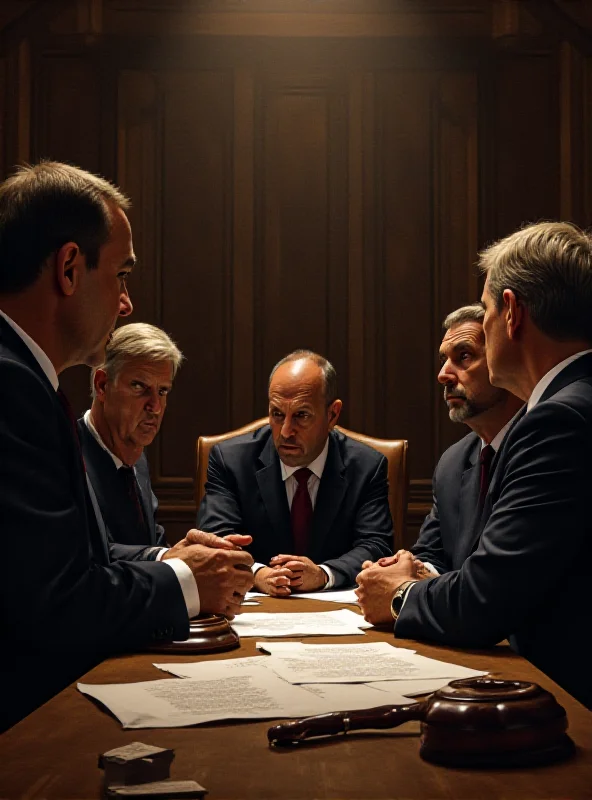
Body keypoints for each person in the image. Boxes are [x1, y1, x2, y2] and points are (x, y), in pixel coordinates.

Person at [0, 161, 253, 730]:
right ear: (69, 267)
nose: (125, 302)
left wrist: (177, 562)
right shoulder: (12, 385)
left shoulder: (24, 377)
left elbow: (55, 562)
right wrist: (187, 580)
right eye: (120, 276)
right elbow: (55, 606)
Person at [356, 221, 592, 709]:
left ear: (511, 312)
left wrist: (399, 597)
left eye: (483, 312)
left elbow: (486, 601)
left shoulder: (560, 420)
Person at [197, 350, 394, 595]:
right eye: (277, 414)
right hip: (254, 607)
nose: (285, 431)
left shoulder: (366, 466)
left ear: (332, 414)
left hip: (336, 610)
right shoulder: (231, 461)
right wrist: (257, 573)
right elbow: (216, 539)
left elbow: (376, 546)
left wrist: (323, 574)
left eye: (301, 415)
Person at [407, 303, 523, 575]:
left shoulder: (542, 445)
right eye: (444, 360)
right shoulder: (453, 462)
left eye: (464, 356)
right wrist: (406, 570)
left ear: (502, 360)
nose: (443, 375)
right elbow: (430, 554)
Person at [79, 322, 181, 558]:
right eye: (139, 386)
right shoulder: (66, 455)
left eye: (163, 391)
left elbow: (151, 543)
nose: (155, 407)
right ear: (103, 385)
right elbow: (89, 555)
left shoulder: (137, 458)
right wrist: (167, 557)